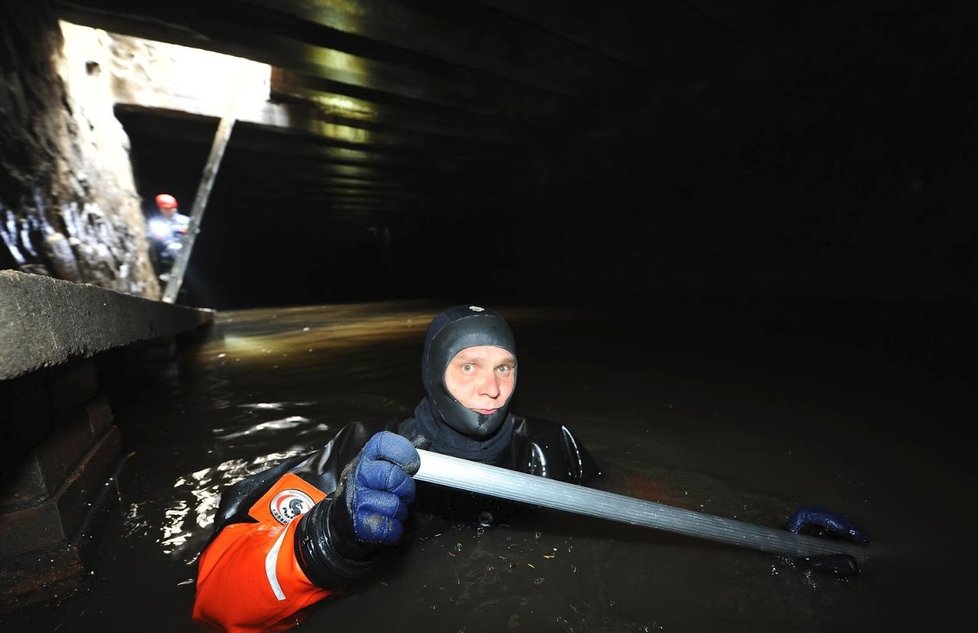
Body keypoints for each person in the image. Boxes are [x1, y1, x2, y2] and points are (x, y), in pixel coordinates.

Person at [191, 305, 868, 633]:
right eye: (468, 367)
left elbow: (636, 498)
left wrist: (768, 532)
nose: (491, 387)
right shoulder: (370, 456)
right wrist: (332, 534)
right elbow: (218, 595)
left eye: (505, 367)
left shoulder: (552, 448)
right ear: (434, 372)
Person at [146, 193, 191, 284]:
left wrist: (186, 232)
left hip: (182, 249)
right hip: (163, 249)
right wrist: (156, 236)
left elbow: (195, 232)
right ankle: (164, 272)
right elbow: (150, 235)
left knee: (174, 249)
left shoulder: (185, 221)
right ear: (161, 209)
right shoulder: (155, 221)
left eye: (171, 208)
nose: (169, 210)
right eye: (165, 208)